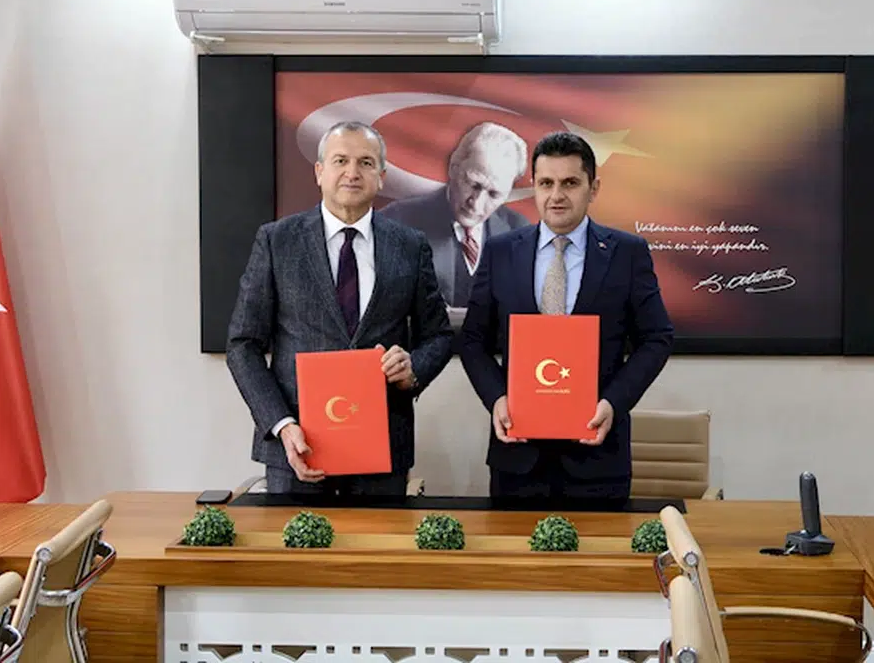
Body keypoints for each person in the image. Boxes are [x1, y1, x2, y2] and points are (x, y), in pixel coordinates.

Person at [227, 121, 454, 496]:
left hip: (382, 450)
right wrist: (281, 423)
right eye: (340, 161)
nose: (352, 172)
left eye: (365, 162)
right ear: (319, 172)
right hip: (297, 447)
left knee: (376, 538)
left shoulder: (409, 245)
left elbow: (439, 336)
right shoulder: (277, 241)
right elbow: (243, 344)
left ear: (381, 177)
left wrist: (413, 369)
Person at [459, 131, 674, 499]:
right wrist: (496, 399)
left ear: (593, 188)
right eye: (546, 183)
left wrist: (613, 402)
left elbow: (657, 338)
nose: (556, 195)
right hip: (517, 457)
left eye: (570, 183)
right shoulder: (500, 251)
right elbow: (472, 340)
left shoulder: (627, 253)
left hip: (598, 458)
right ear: (534, 187)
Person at [379, 121, 531, 311]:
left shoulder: (519, 232)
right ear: (453, 167)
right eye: (473, 184)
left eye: (494, 194)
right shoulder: (397, 222)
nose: (476, 203)